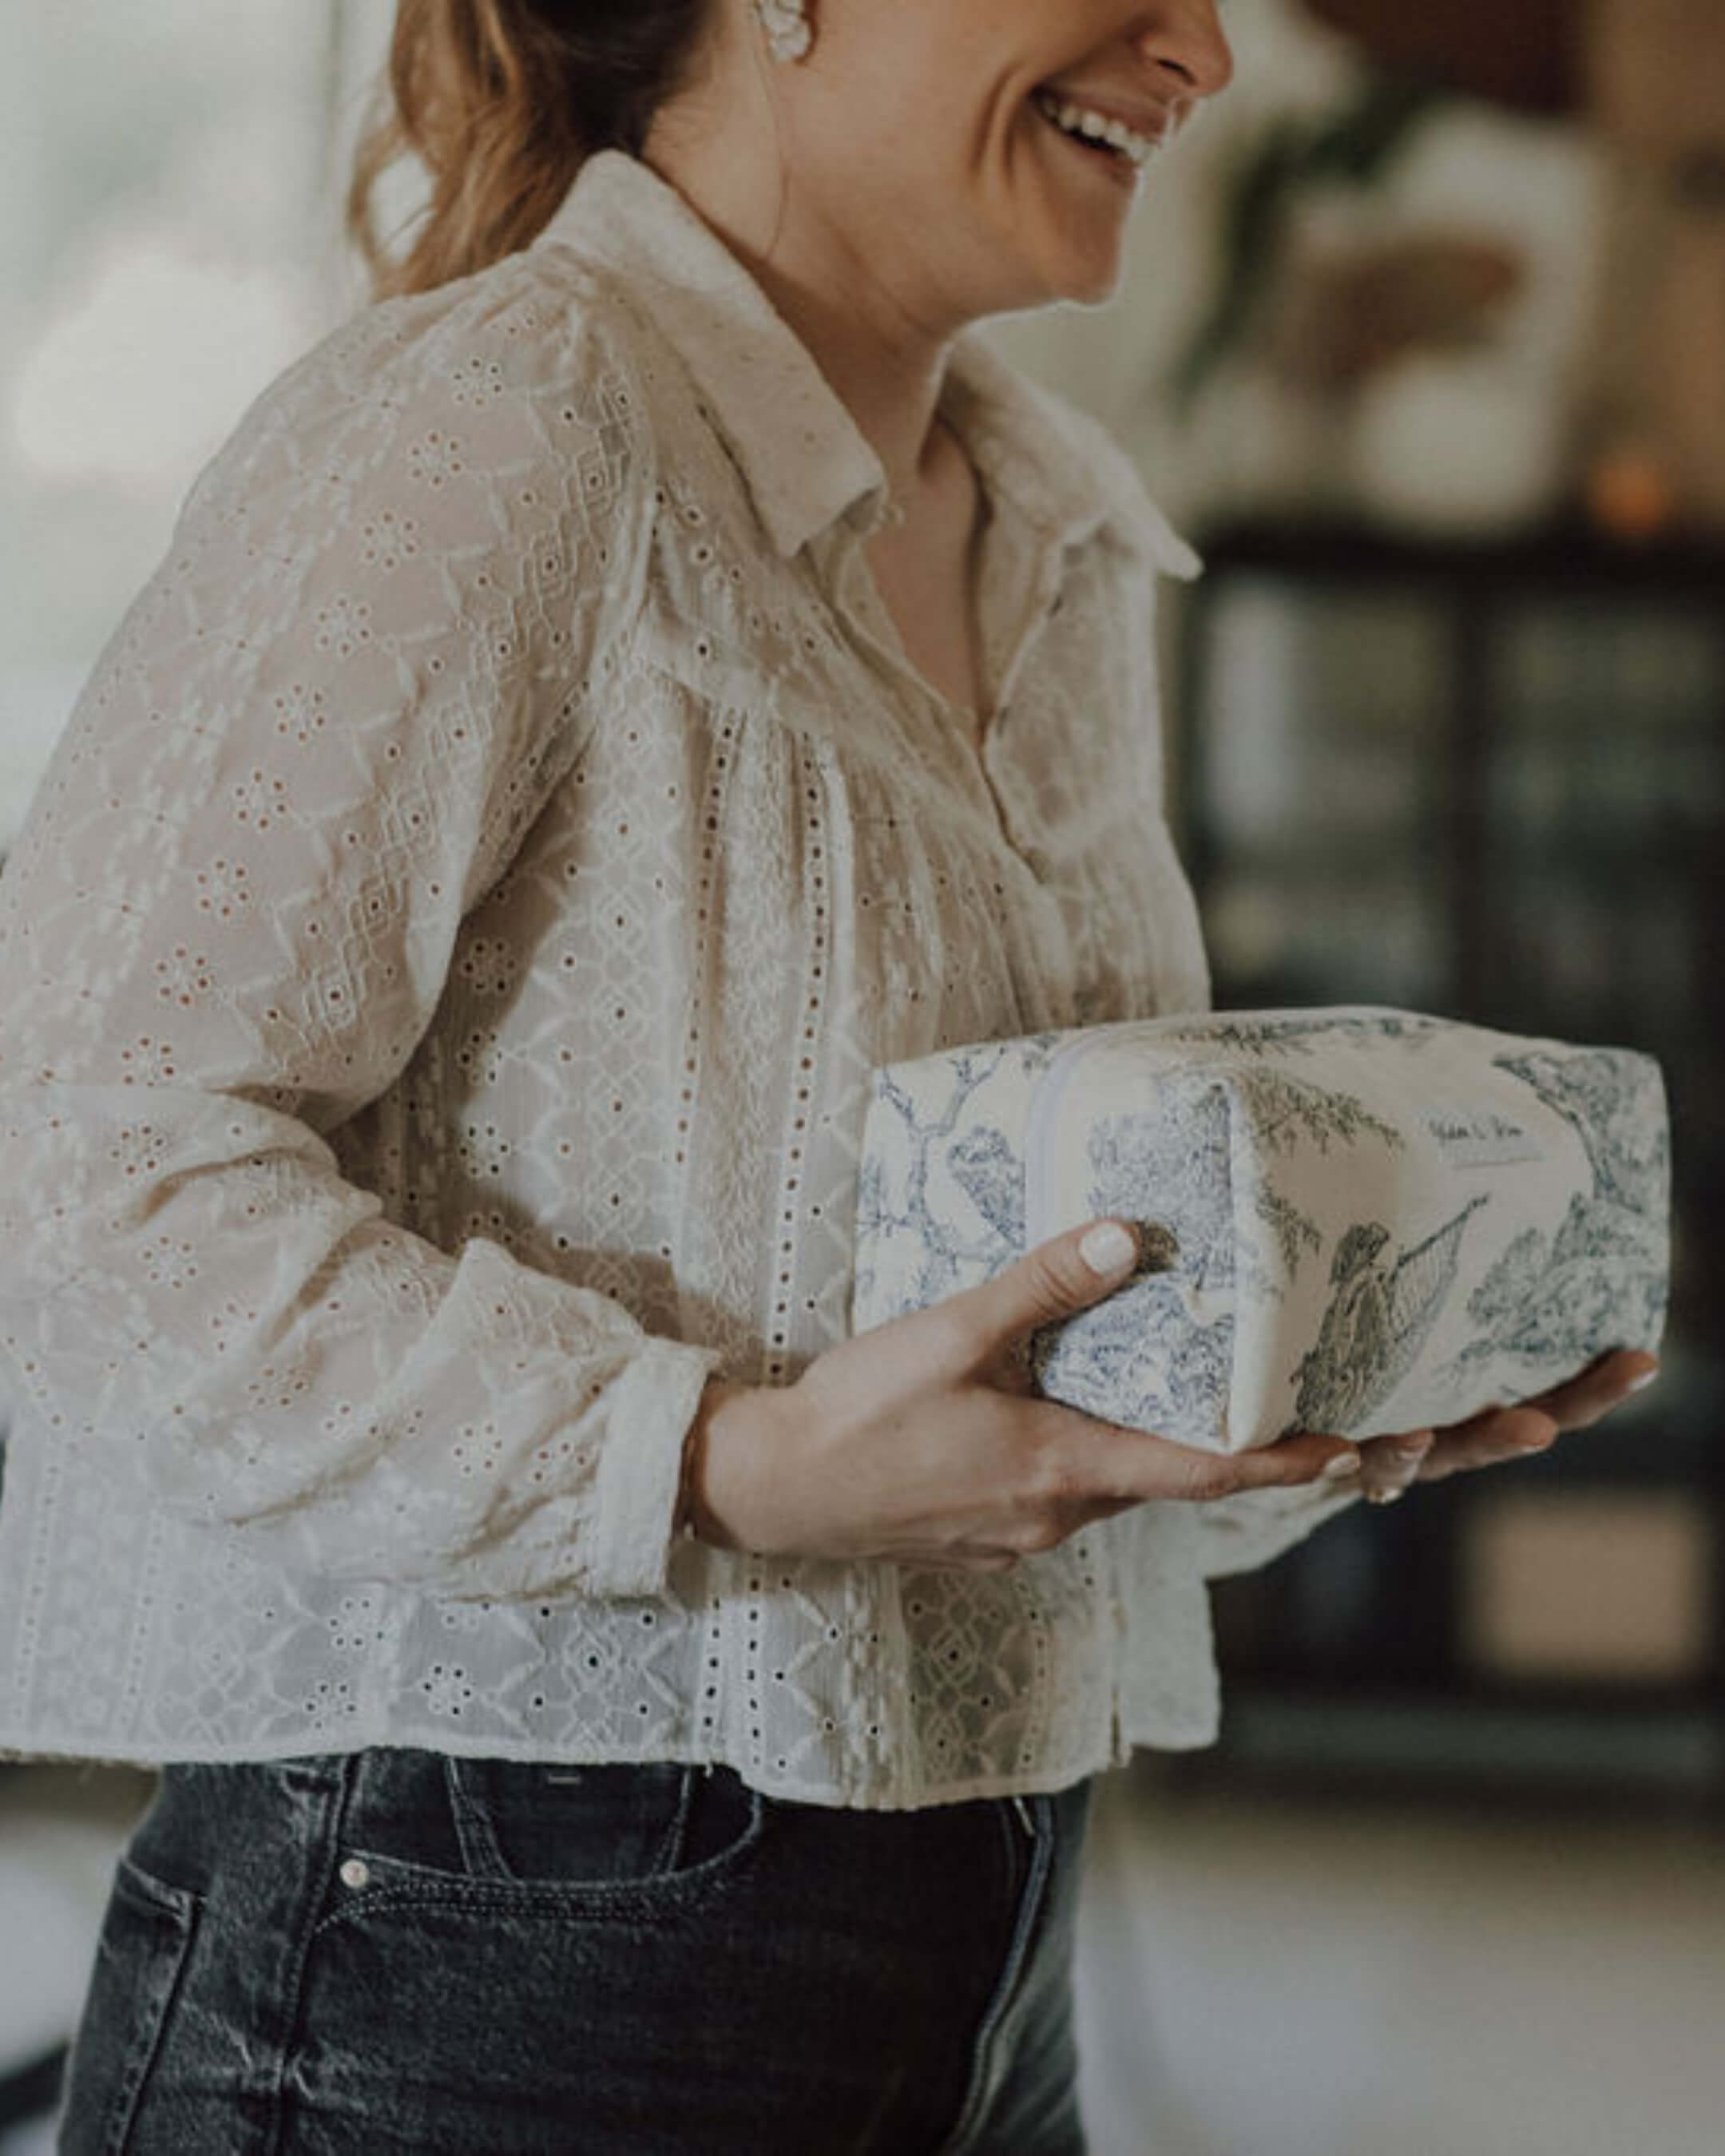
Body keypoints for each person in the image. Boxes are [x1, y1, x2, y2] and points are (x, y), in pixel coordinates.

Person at [0, 2, 1657, 2150]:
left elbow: (986, 1324)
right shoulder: (493, 430)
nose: (1207, 50)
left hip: (979, 1958)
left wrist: (1283, 1381)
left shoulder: (1054, 527)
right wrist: (730, 1459)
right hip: (464, 1981)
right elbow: (83, 1170)